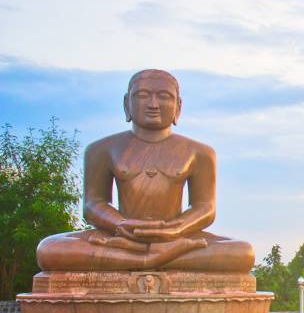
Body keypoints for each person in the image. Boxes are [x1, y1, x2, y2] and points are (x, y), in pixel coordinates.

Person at [36, 69, 254, 272]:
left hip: (176, 237)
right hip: (120, 238)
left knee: (243, 252)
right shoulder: (102, 149)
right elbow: (94, 204)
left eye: (163, 96)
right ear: (126, 104)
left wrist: (175, 230)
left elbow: (205, 207)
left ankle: (142, 258)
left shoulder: (199, 153)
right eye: (142, 95)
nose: (153, 104)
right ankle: (149, 259)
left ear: (178, 106)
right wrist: (120, 224)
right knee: (50, 249)